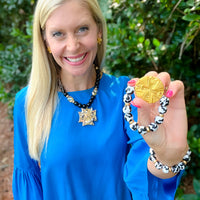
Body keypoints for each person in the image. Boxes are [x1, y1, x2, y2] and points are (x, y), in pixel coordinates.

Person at [12, 0, 190, 199]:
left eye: (82, 29)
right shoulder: (28, 102)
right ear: (45, 40)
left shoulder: (127, 94)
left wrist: (168, 155)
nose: (73, 46)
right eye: (58, 33)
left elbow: (146, 180)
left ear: (98, 31)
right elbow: (29, 185)